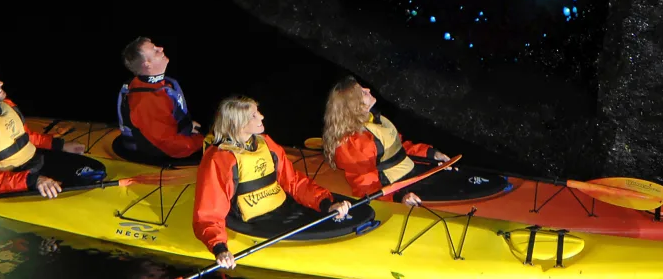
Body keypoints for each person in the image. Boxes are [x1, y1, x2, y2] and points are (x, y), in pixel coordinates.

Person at [193, 95, 372, 271]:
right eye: (254, 115)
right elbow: (209, 212)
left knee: (328, 214)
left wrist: (325, 203)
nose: (262, 117)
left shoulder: (266, 143)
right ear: (238, 123)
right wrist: (219, 248)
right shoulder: (219, 159)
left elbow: (294, 182)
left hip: (282, 207)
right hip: (254, 221)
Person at [321, 75, 508, 206]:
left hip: (414, 172)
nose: (368, 89)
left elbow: (399, 147)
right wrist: (398, 198)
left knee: (468, 180)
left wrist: (431, 154)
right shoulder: (353, 145)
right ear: (354, 105)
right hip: (398, 185)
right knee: (461, 190)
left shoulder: (374, 119)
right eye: (362, 92)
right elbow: (366, 188)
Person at [0, 64, 102, 199]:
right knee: (76, 184)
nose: (0, 83)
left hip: (32, 160)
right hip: (10, 177)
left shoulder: (5, 104)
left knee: (95, 171)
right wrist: (34, 181)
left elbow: (24, 136)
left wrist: (58, 145)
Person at [113, 37, 203, 166]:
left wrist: (187, 126)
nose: (161, 49)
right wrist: (203, 141)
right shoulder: (147, 100)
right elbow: (170, 145)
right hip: (159, 154)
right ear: (147, 65)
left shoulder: (158, 84)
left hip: (172, 140)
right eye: (155, 51)